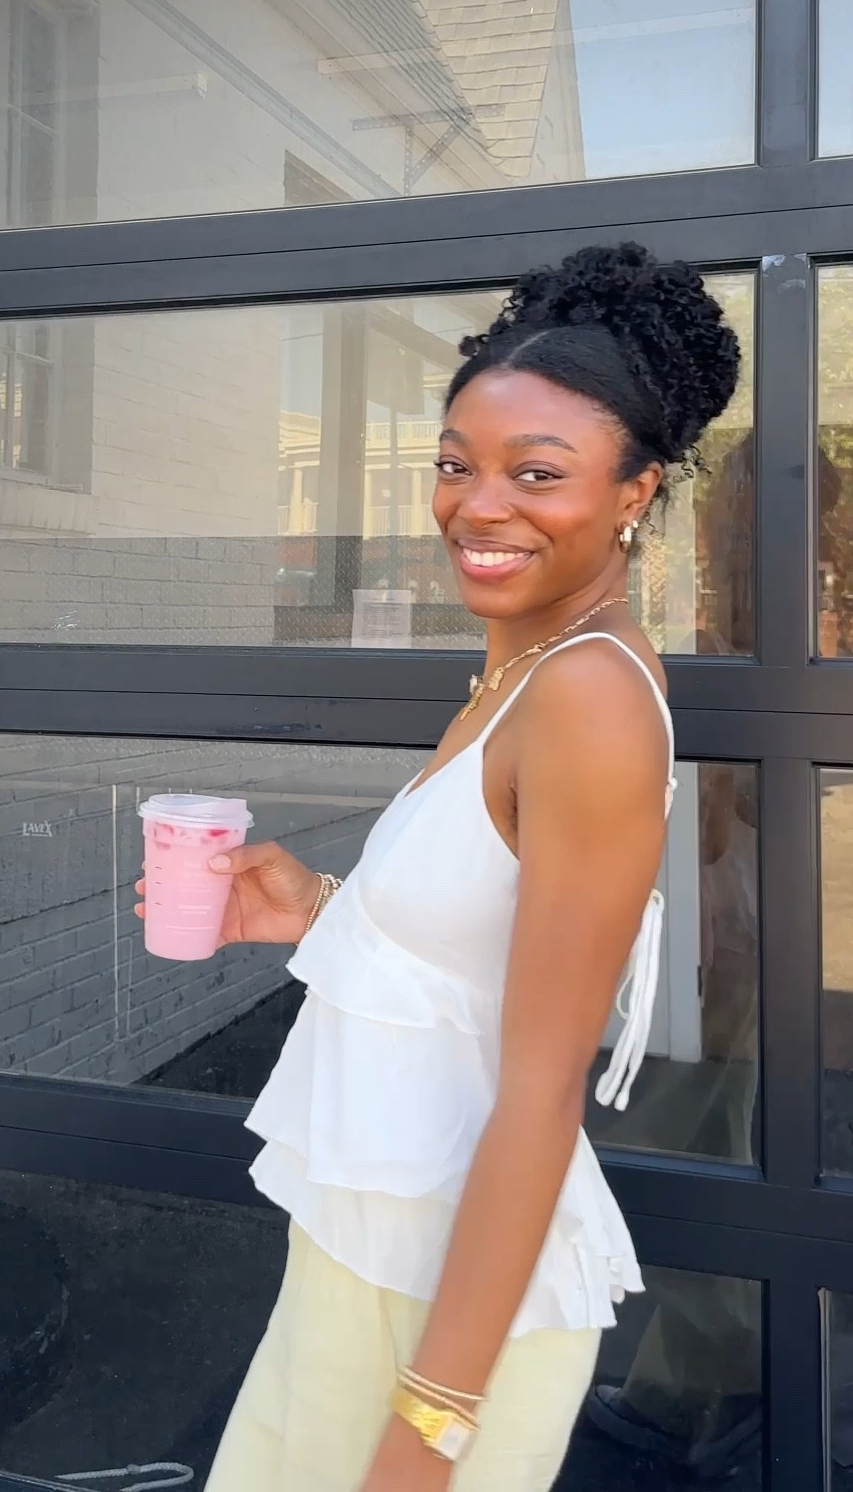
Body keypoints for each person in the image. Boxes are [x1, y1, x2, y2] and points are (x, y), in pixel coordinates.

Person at [137, 242, 741, 1491]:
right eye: (456, 466)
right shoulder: (519, 666)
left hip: (448, 1323)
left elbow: (537, 1089)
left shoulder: (588, 700)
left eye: (539, 473)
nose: (478, 505)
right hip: (371, 1255)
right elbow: (473, 969)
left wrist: (431, 1428)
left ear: (635, 491)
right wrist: (315, 907)